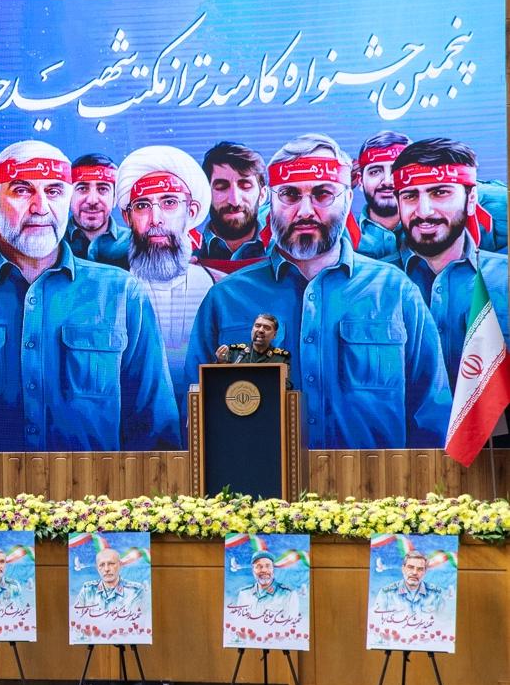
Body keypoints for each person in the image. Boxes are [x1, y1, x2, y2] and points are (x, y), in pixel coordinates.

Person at [186, 133, 449, 448]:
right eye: (290, 194)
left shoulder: (395, 292)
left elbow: (432, 419)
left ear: (348, 199)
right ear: (270, 201)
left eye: (323, 194)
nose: (305, 211)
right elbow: (195, 422)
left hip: (374, 480)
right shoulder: (225, 299)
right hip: (258, 480)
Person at [0, 139, 179, 452]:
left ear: (67, 200)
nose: (40, 207)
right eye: (22, 190)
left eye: (54, 191)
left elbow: (155, 431)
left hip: (99, 487)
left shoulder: (122, 294)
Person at [389, 138, 509, 390]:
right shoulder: (373, 284)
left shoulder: (505, 278)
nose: (424, 211)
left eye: (440, 192)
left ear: (471, 198)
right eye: (410, 196)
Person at [117, 146, 216, 389]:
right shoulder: (111, 294)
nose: (155, 219)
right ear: (127, 218)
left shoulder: (218, 289)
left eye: (169, 202)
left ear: (191, 212)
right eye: (142, 206)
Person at [196, 141, 269, 273]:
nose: (234, 201)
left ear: (262, 195)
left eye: (245, 186)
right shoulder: (186, 259)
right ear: (205, 195)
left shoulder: (285, 256)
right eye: (221, 187)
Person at [64, 153, 129, 267]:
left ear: (115, 198)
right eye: (82, 188)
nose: (92, 200)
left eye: (102, 189)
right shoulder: (52, 242)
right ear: (68, 197)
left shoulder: (135, 244)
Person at [355, 130, 412, 260]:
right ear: (360, 181)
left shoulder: (433, 233)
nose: (387, 181)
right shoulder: (342, 239)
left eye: (396, 171)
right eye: (375, 172)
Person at [230, 549, 300, 622]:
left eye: (268, 566)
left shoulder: (288, 595)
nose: (264, 570)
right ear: (253, 571)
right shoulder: (244, 594)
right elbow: (239, 623)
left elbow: (291, 625)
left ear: (273, 569)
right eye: (259, 566)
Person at [73, 547, 146, 614]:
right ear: (97, 568)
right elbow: (78, 616)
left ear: (120, 565)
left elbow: (138, 619)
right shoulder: (87, 590)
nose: (106, 569)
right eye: (102, 565)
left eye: (111, 564)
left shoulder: (135, 591)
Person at [372, 550, 446, 615]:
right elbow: (377, 620)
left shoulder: (436, 595)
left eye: (420, 569)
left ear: (425, 572)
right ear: (403, 569)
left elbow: (443, 622)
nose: (414, 572)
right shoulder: (386, 594)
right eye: (410, 567)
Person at [216, 313, 292, 375]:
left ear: (274, 335)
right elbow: (220, 380)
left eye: (266, 328)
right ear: (252, 329)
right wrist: (221, 362)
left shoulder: (281, 358)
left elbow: (286, 384)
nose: (261, 330)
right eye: (257, 326)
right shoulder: (234, 353)